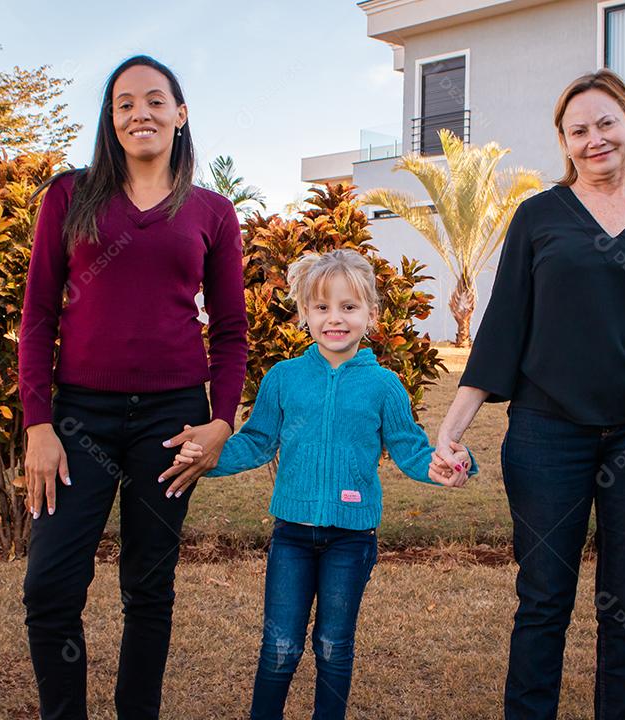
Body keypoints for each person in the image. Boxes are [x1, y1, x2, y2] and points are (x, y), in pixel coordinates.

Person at [432, 69, 625, 720]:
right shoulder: (539, 217)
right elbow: (503, 326)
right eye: (578, 130)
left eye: (606, 124)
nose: (594, 139)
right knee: (541, 602)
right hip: (546, 437)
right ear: (564, 143)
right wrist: (454, 426)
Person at [18, 55, 247, 720]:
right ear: (110, 120)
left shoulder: (212, 212)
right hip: (78, 419)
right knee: (50, 588)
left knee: (148, 590)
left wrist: (220, 422)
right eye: (124, 103)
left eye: (155, 100)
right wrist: (39, 425)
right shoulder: (69, 196)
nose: (139, 113)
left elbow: (230, 330)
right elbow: (37, 317)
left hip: (172, 422)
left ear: (180, 114)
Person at [170, 248, 475, 720]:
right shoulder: (284, 379)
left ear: (370, 314)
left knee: (334, 645)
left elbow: (410, 448)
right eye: (323, 307)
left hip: (352, 540)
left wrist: (447, 464)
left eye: (349, 307)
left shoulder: (384, 385)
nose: (335, 319)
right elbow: (255, 442)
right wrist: (208, 456)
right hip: (291, 534)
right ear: (304, 314)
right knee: (280, 645)